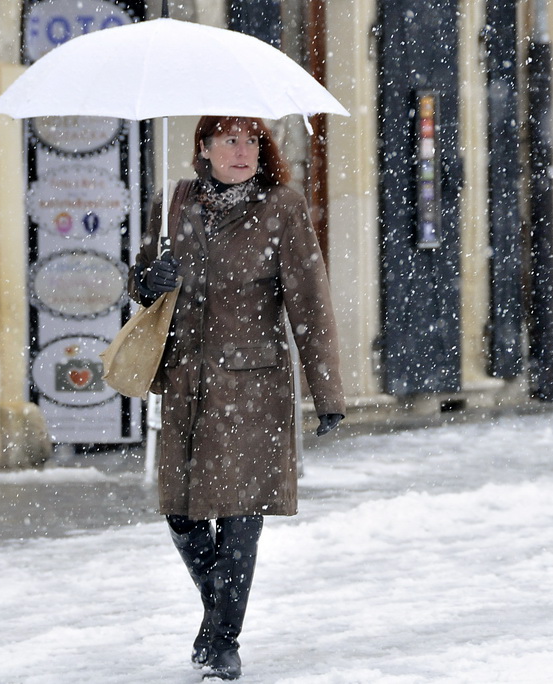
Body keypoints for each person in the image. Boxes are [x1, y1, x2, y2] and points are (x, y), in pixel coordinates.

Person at [128, 115, 346, 680]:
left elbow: (310, 301)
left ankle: (222, 641)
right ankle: (216, 614)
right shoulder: (173, 202)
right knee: (181, 515)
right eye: (229, 139)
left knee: (241, 516)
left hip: (253, 385)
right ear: (203, 148)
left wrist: (327, 394)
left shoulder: (282, 206)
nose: (242, 150)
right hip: (186, 383)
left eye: (251, 139)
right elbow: (142, 276)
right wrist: (148, 280)